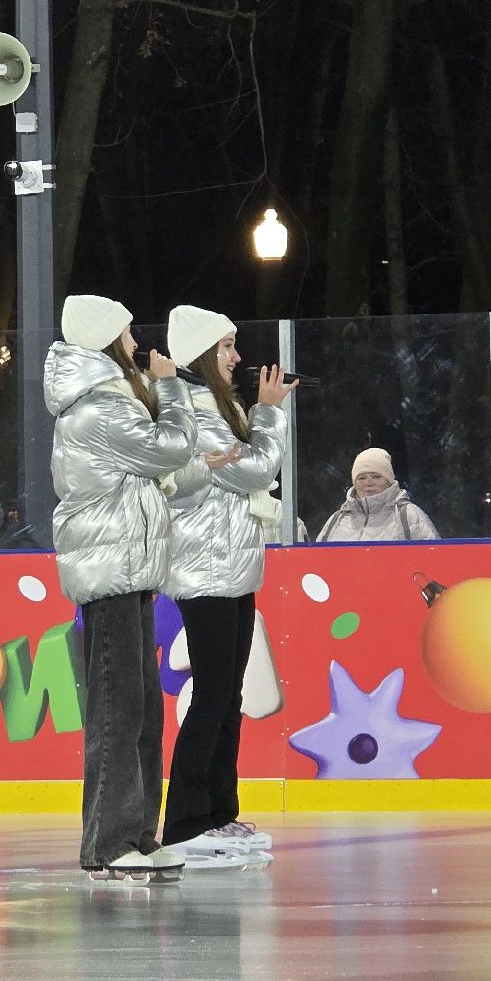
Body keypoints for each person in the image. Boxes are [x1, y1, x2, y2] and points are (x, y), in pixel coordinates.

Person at [46, 293, 198, 884]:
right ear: (108, 339)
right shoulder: (99, 410)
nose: (139, 344)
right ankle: (106, 843)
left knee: (140, 712)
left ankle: (136, 832)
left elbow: (165, 469)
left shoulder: (113, 403)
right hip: (108, 575)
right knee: (117, 711)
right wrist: (175, 389)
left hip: (131, 571)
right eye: (130, 333)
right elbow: (169, 447)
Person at [157, 305, 292, 870]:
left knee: (227, 694)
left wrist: (256, 419)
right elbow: (257, 471)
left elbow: (252, 467)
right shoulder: (194, 413)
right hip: (206, 571)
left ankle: (217, 814)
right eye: (227, 347)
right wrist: (269, 415)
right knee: (213, 695)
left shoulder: (222, 408)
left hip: (233, 570)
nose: (238, 358)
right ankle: (186, 822)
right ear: (199, 354)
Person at [314, 448, 441, 542]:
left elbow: (435, 560)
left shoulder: (409, 515)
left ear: (389, 481)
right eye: (362, 478)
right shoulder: (338, 519)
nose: (368, 483)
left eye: (376, 476)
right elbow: (315, 563)